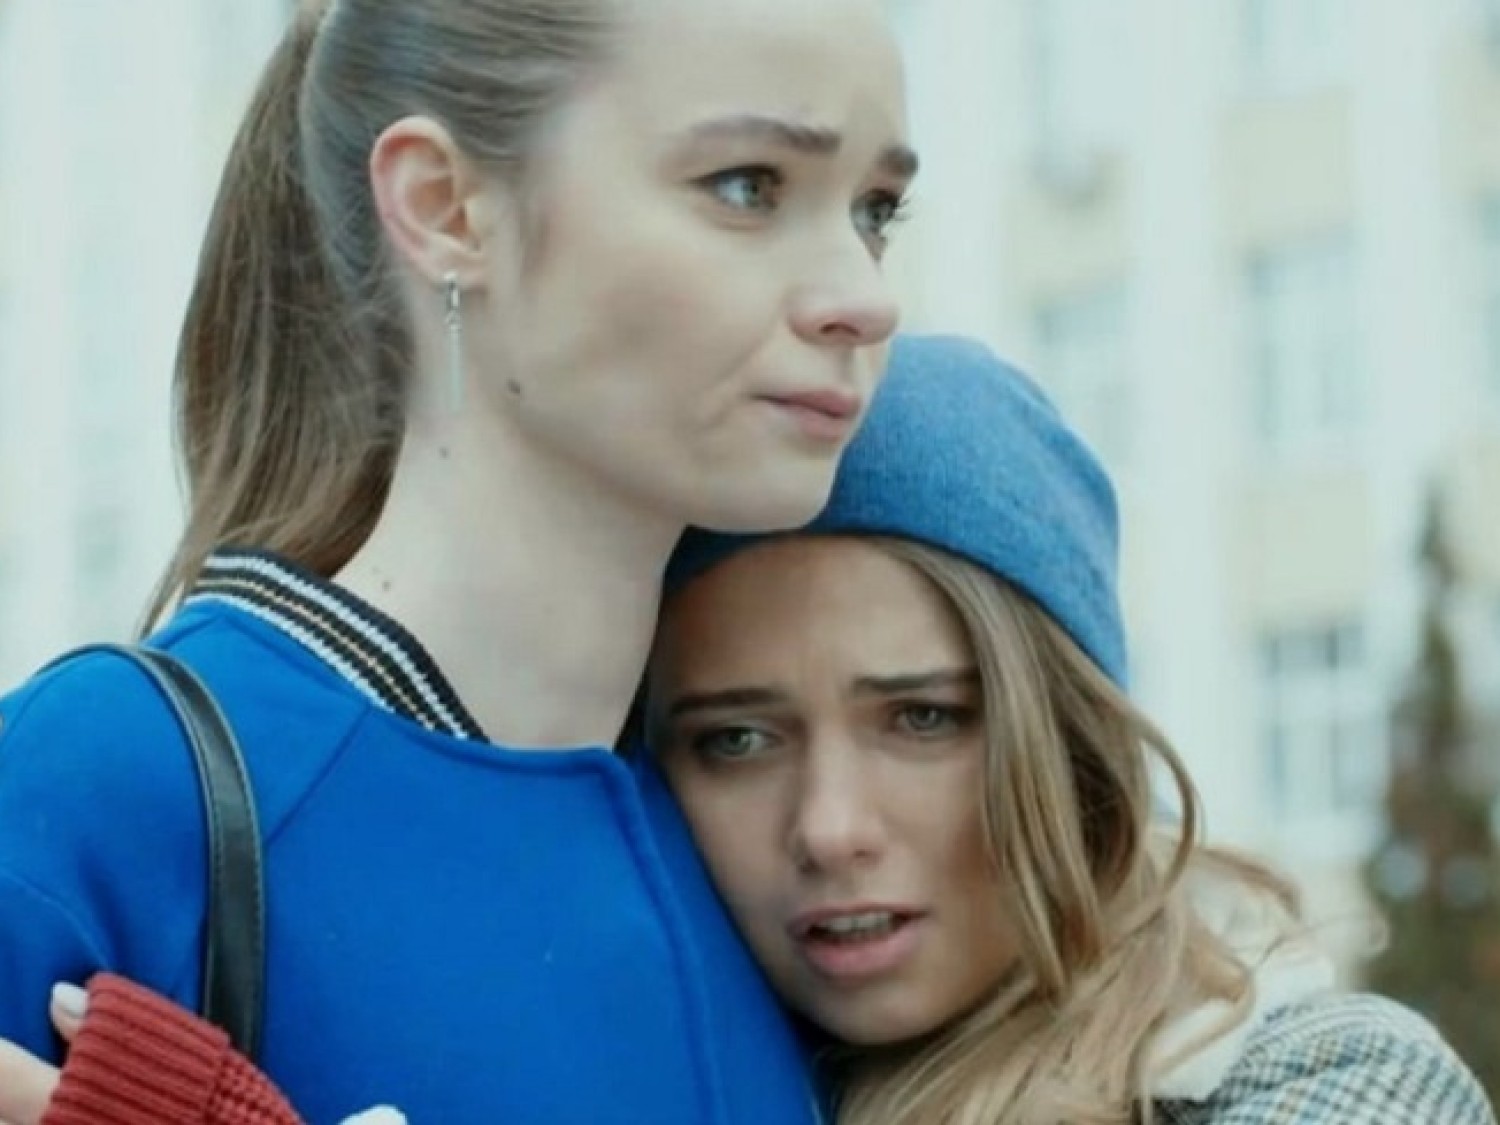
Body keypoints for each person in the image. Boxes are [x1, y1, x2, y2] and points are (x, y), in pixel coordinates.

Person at [6, 335, 1493, 1125]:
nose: (829, 828)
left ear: (1072, 748)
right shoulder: (670, 1053)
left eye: (923, 717)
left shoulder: (1320, 1083)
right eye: (733, 740)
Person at [0, 0, 915, 1120]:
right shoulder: (113, 780)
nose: (865, 298)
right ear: (444, 206)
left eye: (877, 210)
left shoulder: (775, 857)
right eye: (747, 187)